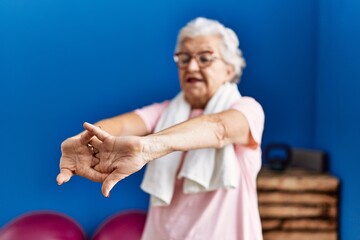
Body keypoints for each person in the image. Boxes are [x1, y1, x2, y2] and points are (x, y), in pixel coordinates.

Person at [57, 17, 264, 240]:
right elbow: (121, 125)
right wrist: (85, 140)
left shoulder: (247, 109)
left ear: (229, 69)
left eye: (205, 58)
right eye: (184, 59)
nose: (191, 67)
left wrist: (148, 147)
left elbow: (219, 128)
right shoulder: (165, 113)